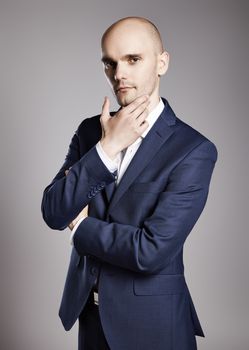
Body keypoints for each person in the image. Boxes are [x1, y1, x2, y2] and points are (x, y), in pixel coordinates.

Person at [41, 16, 218, 350]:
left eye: (133, 59)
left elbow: (150, 250)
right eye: (110, 63)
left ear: (162, 62)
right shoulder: (90, 133)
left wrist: (80, 226)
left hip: (153, 322)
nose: (118, 74)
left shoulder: (193, 150)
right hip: (90, 316)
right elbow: (53, 210)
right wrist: (106, 149)